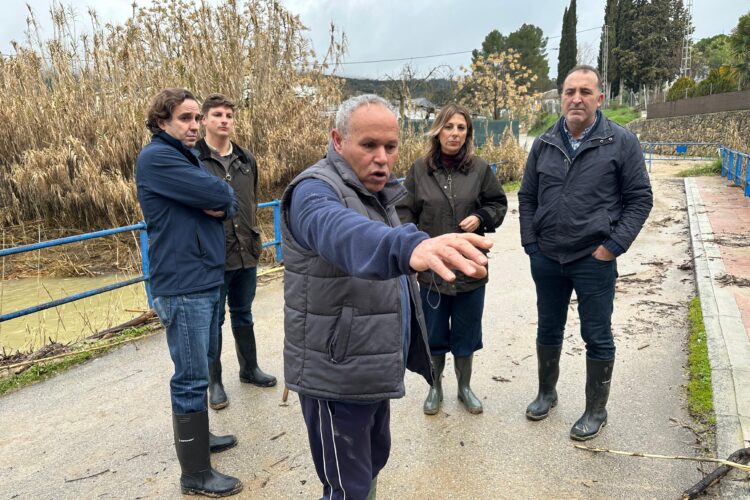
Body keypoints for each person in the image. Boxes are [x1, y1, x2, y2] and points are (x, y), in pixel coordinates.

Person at [280, 94, 493, 500]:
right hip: (336, 372)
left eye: (390, 146)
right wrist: (407, 246)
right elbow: (339, 231)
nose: (382, 158)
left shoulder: (375, 190)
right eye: (369, 145)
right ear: (337, 140)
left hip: (370, 365)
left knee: (372, 463)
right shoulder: (313, 191)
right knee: (346, 487)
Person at [518, 66, 653, 441]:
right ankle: (547, 394)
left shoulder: (621, 141)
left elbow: (640, 199)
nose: (576, 98)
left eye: (585, 92)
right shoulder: (544, 142)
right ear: (562, 97)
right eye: (569, 92)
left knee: (597, 334)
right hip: (547, 257)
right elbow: (527, 197)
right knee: (548, 327)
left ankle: (596, 410)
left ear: (599, 98)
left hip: (593, 259)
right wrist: (531, 245)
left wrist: (613, 247)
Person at [136, 88, 243, 497]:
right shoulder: (157, 158)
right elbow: (219, 194)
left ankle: (202, 439)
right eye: (185, 118)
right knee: (191, 377)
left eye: (197, 118)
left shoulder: (187, 157)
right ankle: (195, 474)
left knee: (200, 365)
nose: (195, 125)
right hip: (183, 283)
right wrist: (217, 198)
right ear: (161, 122)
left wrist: (219, 200)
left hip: (203, 275)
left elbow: (228, 202)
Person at [397, 103, 507, 415]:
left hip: (470, 269)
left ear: (467, 133)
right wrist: (416, 247)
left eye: (461, 128)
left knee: (466, 334)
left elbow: (498, 203)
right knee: (433, 335)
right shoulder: (419, 170)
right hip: (432, 271)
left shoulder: (479, 169)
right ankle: (434, 387)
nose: (455, 133)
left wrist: (481, 216)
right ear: (437, 131)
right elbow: (404, 213)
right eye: (449, 127)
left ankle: (464, 388)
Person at [195, 94, 276, 411]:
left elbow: (251, 201)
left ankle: (249, 369)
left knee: (244, 312)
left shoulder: (246, 159)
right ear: (204, 120)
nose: (224, 120)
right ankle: (214, 382)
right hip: (213, 254)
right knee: (213, 321)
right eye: (217, 114)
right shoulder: (194, 159)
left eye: (229, 115)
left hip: (246, 250)